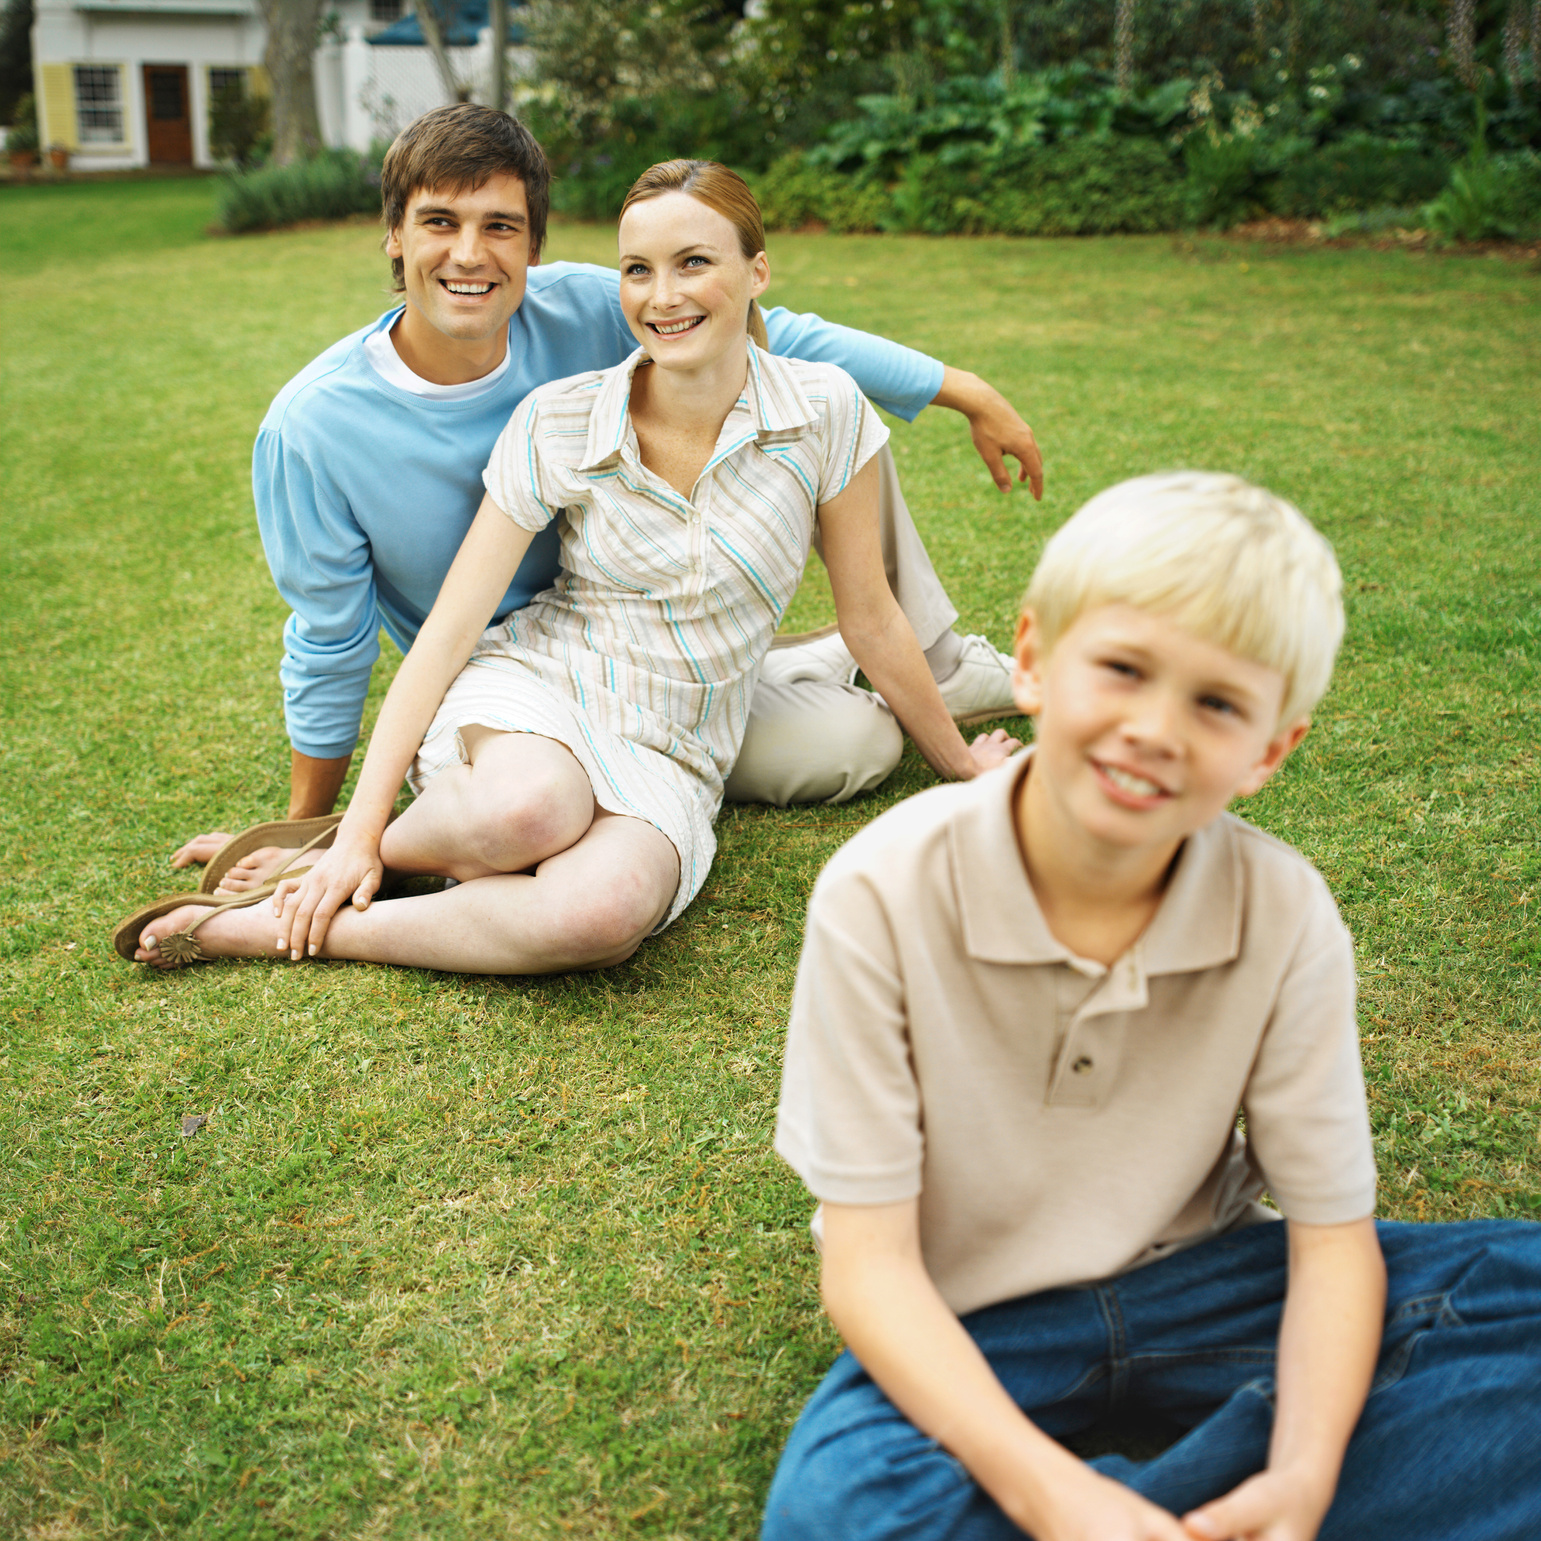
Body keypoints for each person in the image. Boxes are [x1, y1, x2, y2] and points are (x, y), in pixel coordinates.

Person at [764, 472, 1541, 1541]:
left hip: (1213, 1284)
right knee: (839, 1513)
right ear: (1031, 659)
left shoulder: (1284, 912)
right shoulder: (880, 888)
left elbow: (1328, 1241)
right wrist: (1055, 1492)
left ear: (1270, 748)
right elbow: (868, 1268)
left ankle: (1249, 1498)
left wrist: (1305, 1475)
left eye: (1216, 703)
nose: (1153, 729)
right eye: (1121, 669)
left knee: (1516, 1284)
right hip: (973, 1320)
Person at [119, 160, 1018, 975]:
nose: (661, 296)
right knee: (528, 811)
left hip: (681, 736)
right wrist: (348, 821)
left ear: (757, 272)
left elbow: (872, 615)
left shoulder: (826, 411)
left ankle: (286, 921)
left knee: (602, 913)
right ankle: (351, 859)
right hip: (543, 684)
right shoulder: (557, 419)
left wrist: (964, 772)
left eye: (694, 264)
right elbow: (444, 636)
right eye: (637, 271)